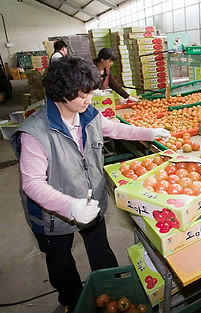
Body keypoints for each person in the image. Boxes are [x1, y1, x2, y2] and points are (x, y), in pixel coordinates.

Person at [11, 57, 170, 312]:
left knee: (101, 251)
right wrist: (71, 207)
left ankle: (111, 288)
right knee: (60, 262)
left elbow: (117, 130)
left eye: (91, 92)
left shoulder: (88, 115)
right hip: (52, 214)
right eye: (84, 94)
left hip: (91, 201)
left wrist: (149, 132)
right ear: (63, 93)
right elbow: (32, 184)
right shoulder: (35, 133)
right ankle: (72, 300)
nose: (90, 98)